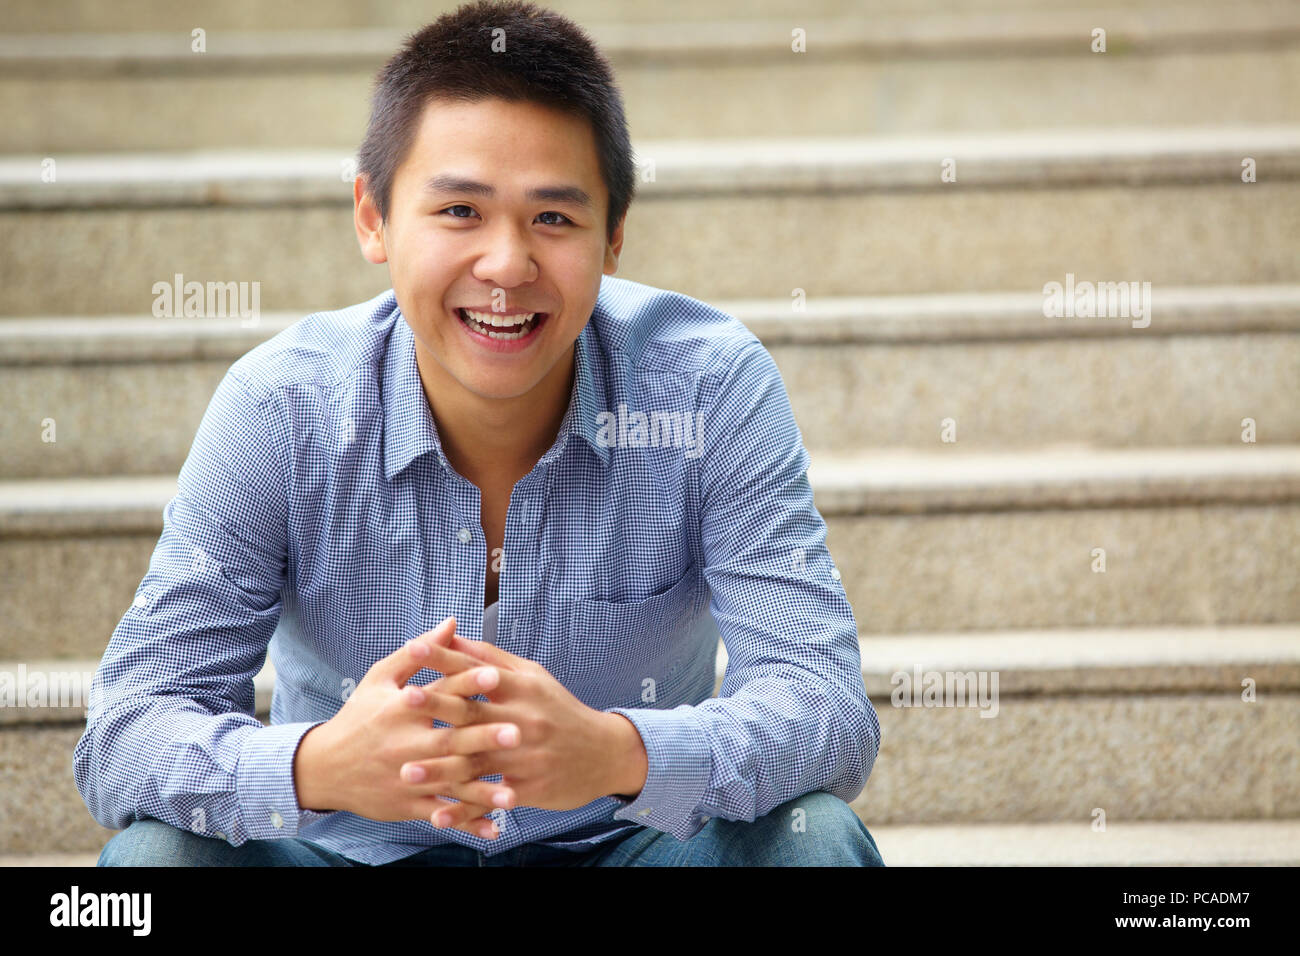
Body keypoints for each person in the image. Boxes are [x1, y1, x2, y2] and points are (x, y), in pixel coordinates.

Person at [77, 0, 884, 867]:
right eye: (460, 210)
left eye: (554, 218)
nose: (506, 265)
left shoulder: (708, 387)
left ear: (614, 237)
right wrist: (315, 767)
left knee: (812, 842)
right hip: (352, 855)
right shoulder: (281, 407)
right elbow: (127, 730)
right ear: (372, 219)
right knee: (154, 862)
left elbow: (826, 706)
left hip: (626, 849)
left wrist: (616, 752)